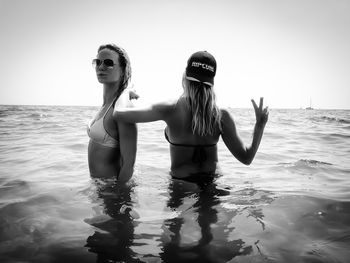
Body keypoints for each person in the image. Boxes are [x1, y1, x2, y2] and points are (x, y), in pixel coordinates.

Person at [114, 51, 268, 180]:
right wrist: (259, 125)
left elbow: (119, 114)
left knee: (175, 217)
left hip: (181, 184)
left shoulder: (170, 108)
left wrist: (126, 91)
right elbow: (247, 158)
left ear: (185, 76)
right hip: (213, 183)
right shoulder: (221, 115)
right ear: (211, 82)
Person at [87, 44, 137, 182]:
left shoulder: (123, 108)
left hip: (112, 190)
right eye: (97, 62)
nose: (101, 67)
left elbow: (128, 166)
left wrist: (118, 195)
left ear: (122, 70)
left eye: (108, 63)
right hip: (99, 187)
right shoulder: (105, 105)